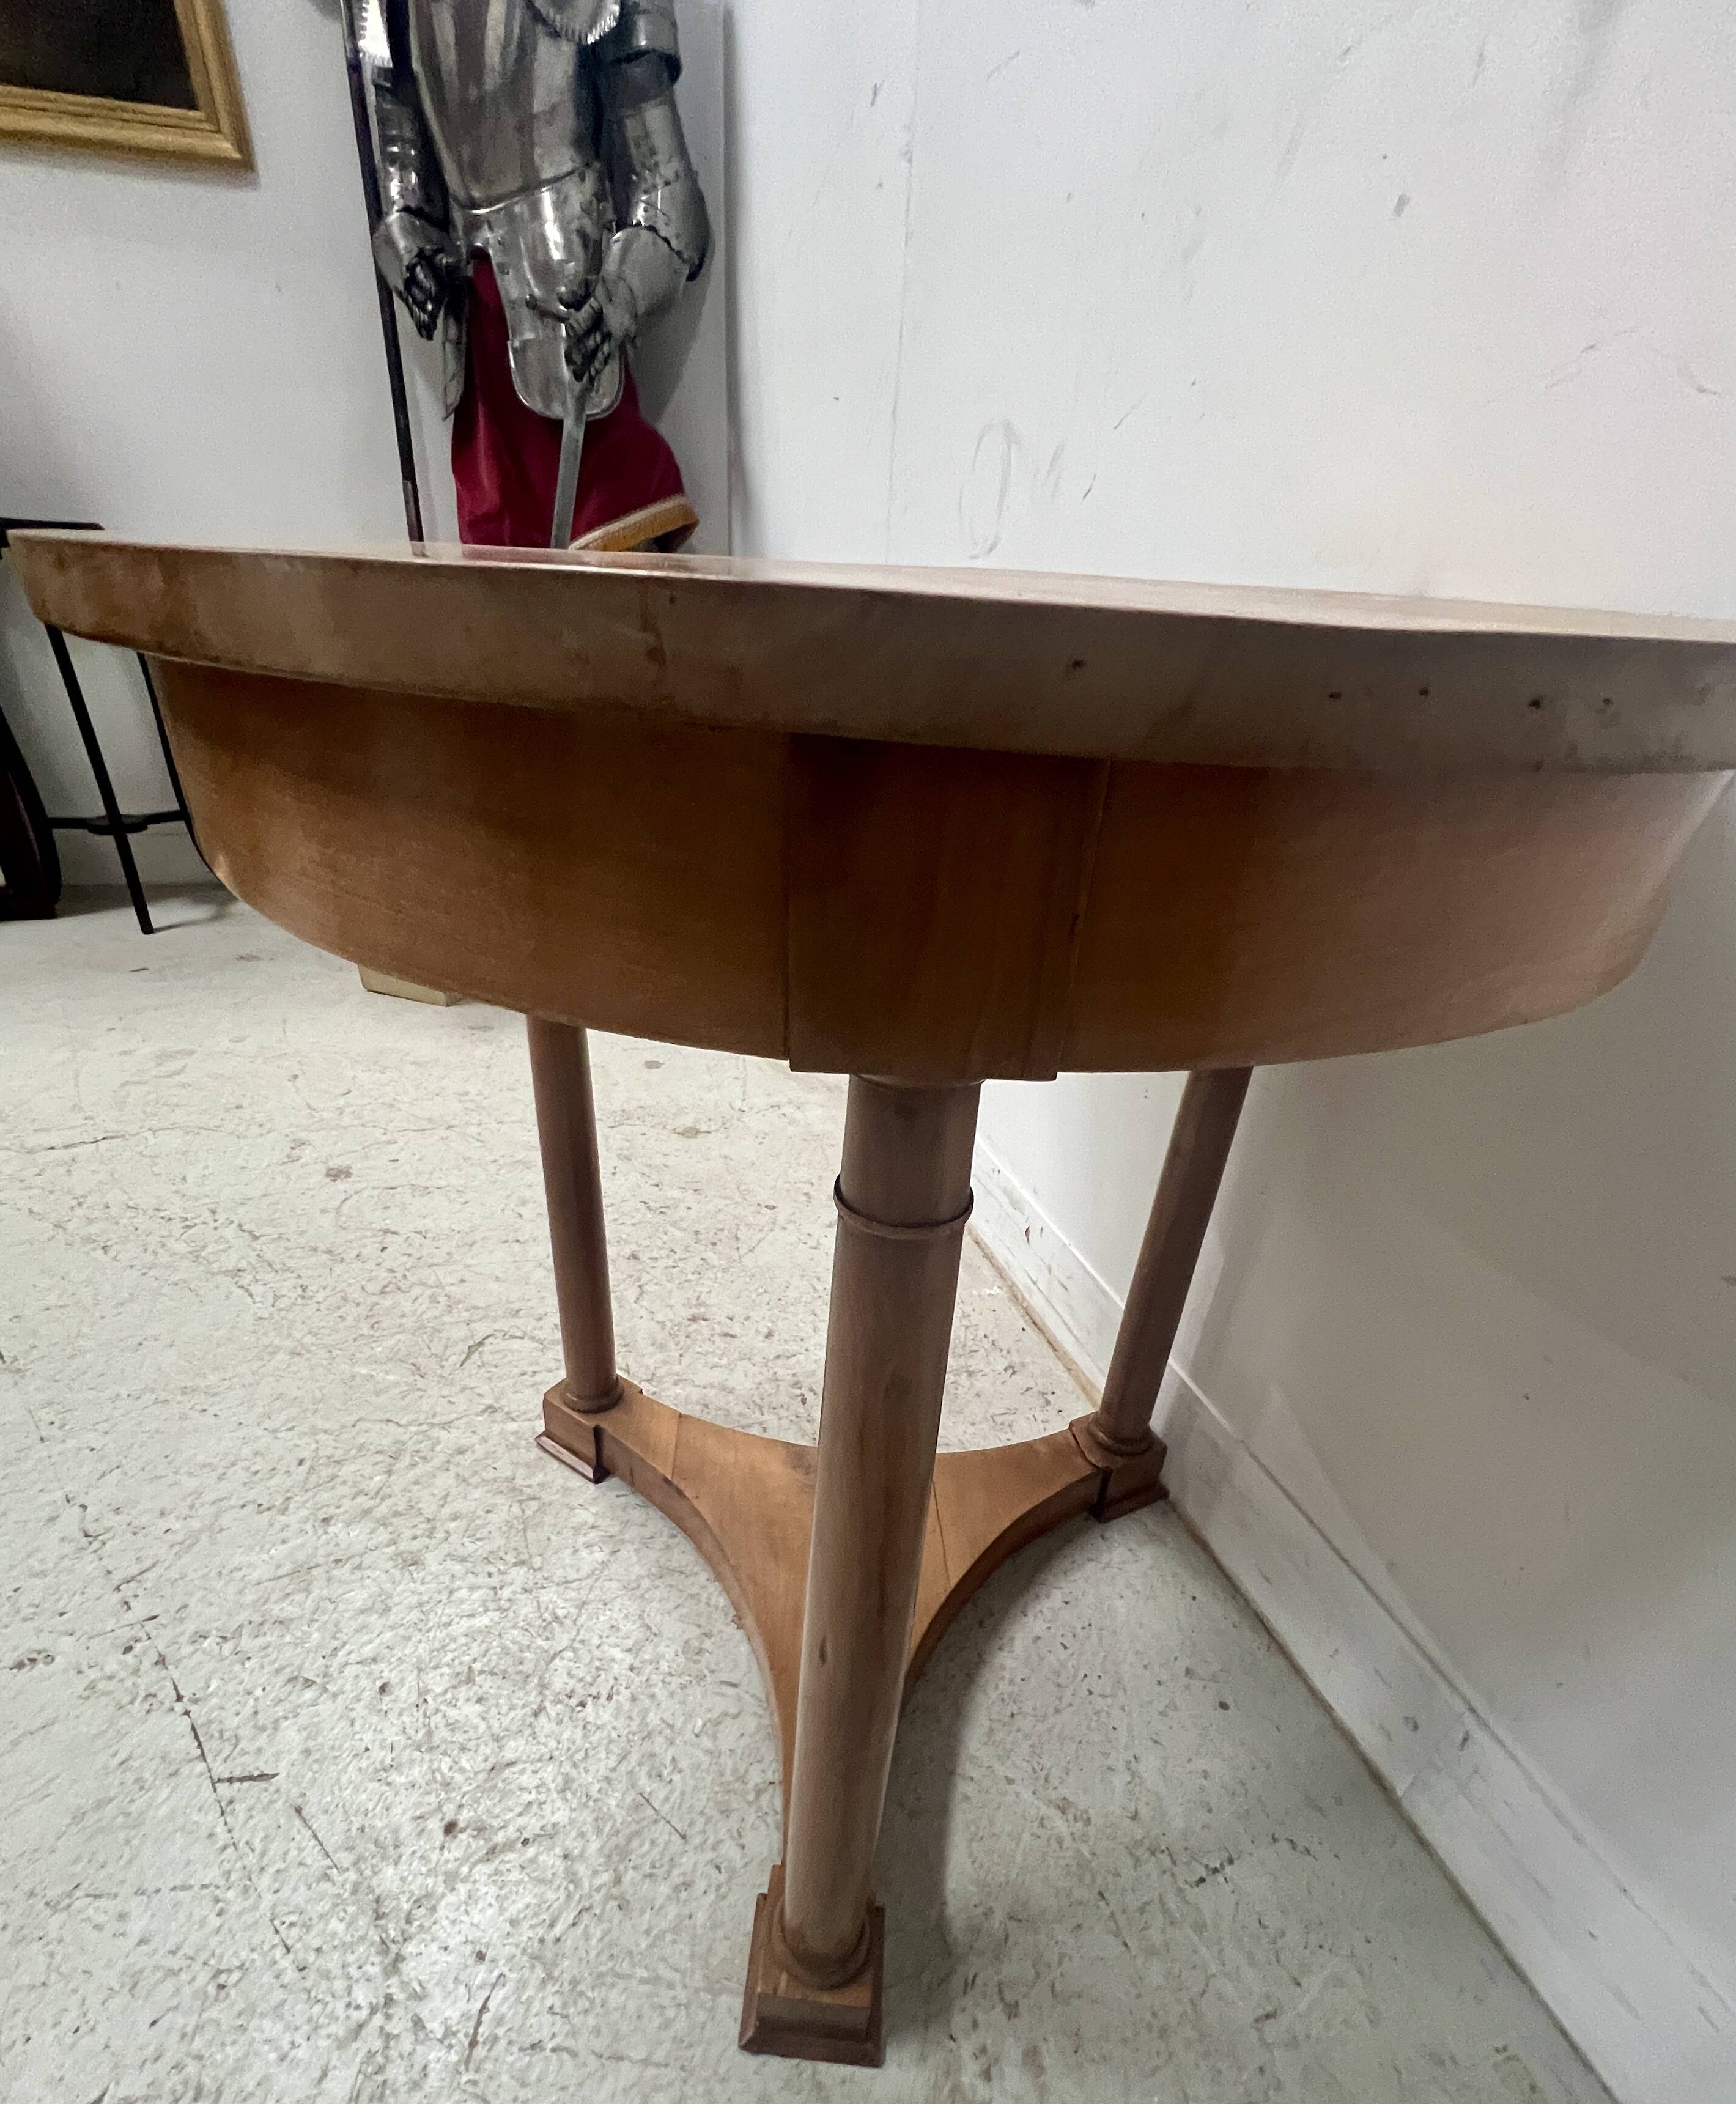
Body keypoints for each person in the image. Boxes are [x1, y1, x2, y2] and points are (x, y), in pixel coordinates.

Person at [368, 0, 709, 550]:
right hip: (476, 324)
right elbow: (403, 166)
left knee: (608, 570)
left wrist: (623, 292)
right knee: (505, 585)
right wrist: (407, 245)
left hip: (573, 310)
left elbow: (667, 191)